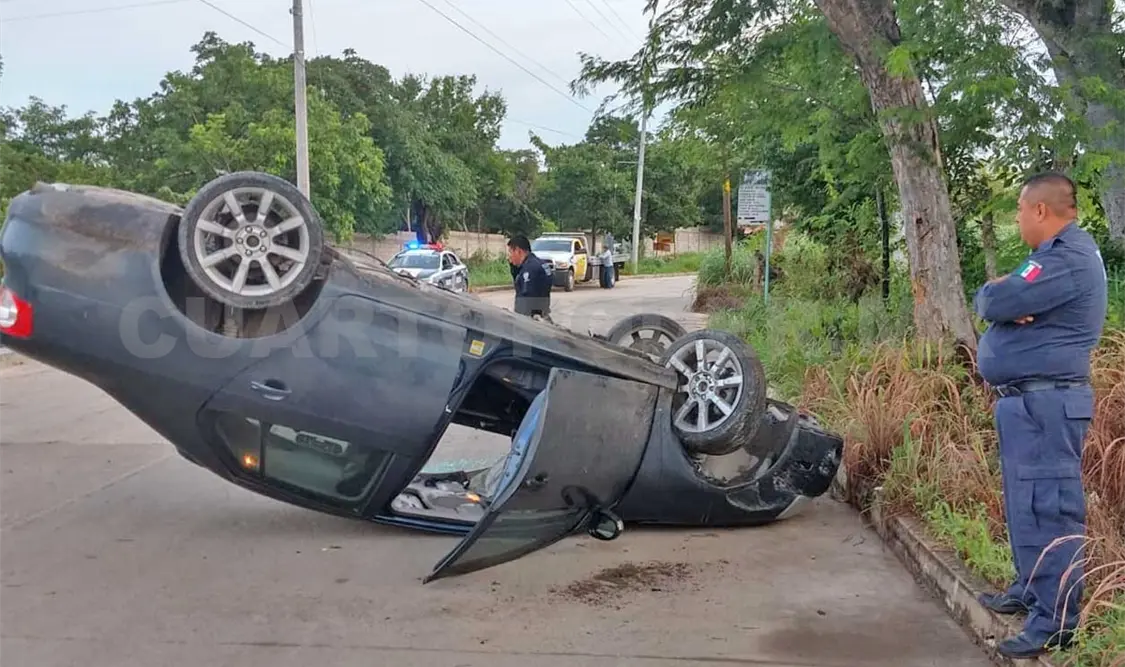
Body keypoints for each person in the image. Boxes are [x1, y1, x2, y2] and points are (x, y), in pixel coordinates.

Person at [972, 172, 1108, 659]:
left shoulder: (1065, 258)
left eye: (1019, 211)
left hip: (1047, 404)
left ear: (1041, 212)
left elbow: (996, 299)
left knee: (1049, 507)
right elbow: (999, 301)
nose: (1017, 219)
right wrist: (1001, 301)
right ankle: (1032, 592)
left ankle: (1057, 621)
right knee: (1025, 503)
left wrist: (998, 298)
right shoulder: (1053, 259)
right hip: (1031, 402)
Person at [506, 235, 553, 320]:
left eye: (510, 252)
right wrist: (513, 267)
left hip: (532, 321)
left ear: (518, 251)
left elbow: (526, 299)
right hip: (543, 314)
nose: (509, 256)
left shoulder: (529, 269)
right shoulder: (540, 263)